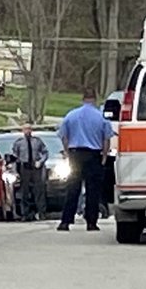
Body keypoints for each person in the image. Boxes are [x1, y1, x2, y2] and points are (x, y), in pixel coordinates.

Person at [56, 87, 114, 232]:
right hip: (94, 155)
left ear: (83, 99)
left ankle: (66, 221)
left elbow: (64, 135)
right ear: (94, 99)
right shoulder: (101, 117)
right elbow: (106, 139)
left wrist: (68, 152)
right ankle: (91, 222)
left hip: (76, 154)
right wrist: (104, 156)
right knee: (93, 191)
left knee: (72, 189)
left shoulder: (71, 115)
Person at [11, 123, 49, 221]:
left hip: (36, 168)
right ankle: (25, 214)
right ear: (22, 131)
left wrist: (40, 162)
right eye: (25, 129)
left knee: (39, 191)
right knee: (24, 192)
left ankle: (41, 213)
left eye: (29, 129)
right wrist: (15, 171)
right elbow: (15, 158)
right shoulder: (19, 143)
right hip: (24, 168)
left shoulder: (37, 141)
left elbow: (45, 152)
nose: (27, 131)